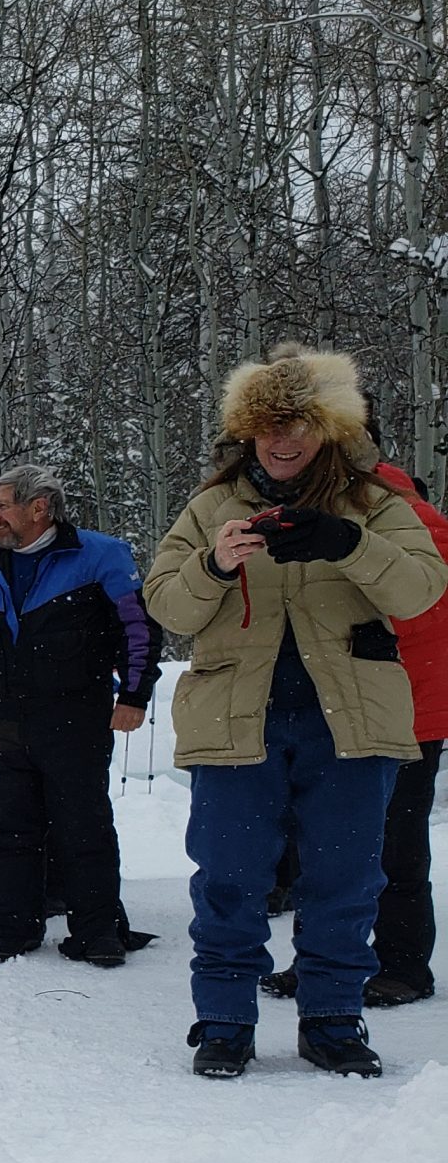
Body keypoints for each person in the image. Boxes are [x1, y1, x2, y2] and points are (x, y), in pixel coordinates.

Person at [145, 345, 448, 1079]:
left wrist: (350, 543)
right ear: (247, 432)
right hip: (234, 722)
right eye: (268, 427)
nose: (282, 441)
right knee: (228, 877)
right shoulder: (211, 506)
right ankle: (224, 1020)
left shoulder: (373, 503)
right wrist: (215, 564)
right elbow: (165, 604)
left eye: (299, 425)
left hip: (350, 723)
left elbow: (422, 589)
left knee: (346, 879)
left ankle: (333, 1020)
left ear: (330, 429)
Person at [0, 465, 157, 966]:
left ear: (38, 507)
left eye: (0, 507)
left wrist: (134, 695)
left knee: (83, 827)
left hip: (76, 718)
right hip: (9, 722)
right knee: (10, 828)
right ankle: (8, 929)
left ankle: (97, 932)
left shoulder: (100, 555)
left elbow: (138, 629)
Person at [261, 456, 448, 1007]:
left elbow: (420, 609)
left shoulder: (412, 521)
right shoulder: (322, 512)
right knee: (325, 840)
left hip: (406, 707)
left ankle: (402, 964)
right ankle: (324, 960)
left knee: (393, 844)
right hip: (344, 704)